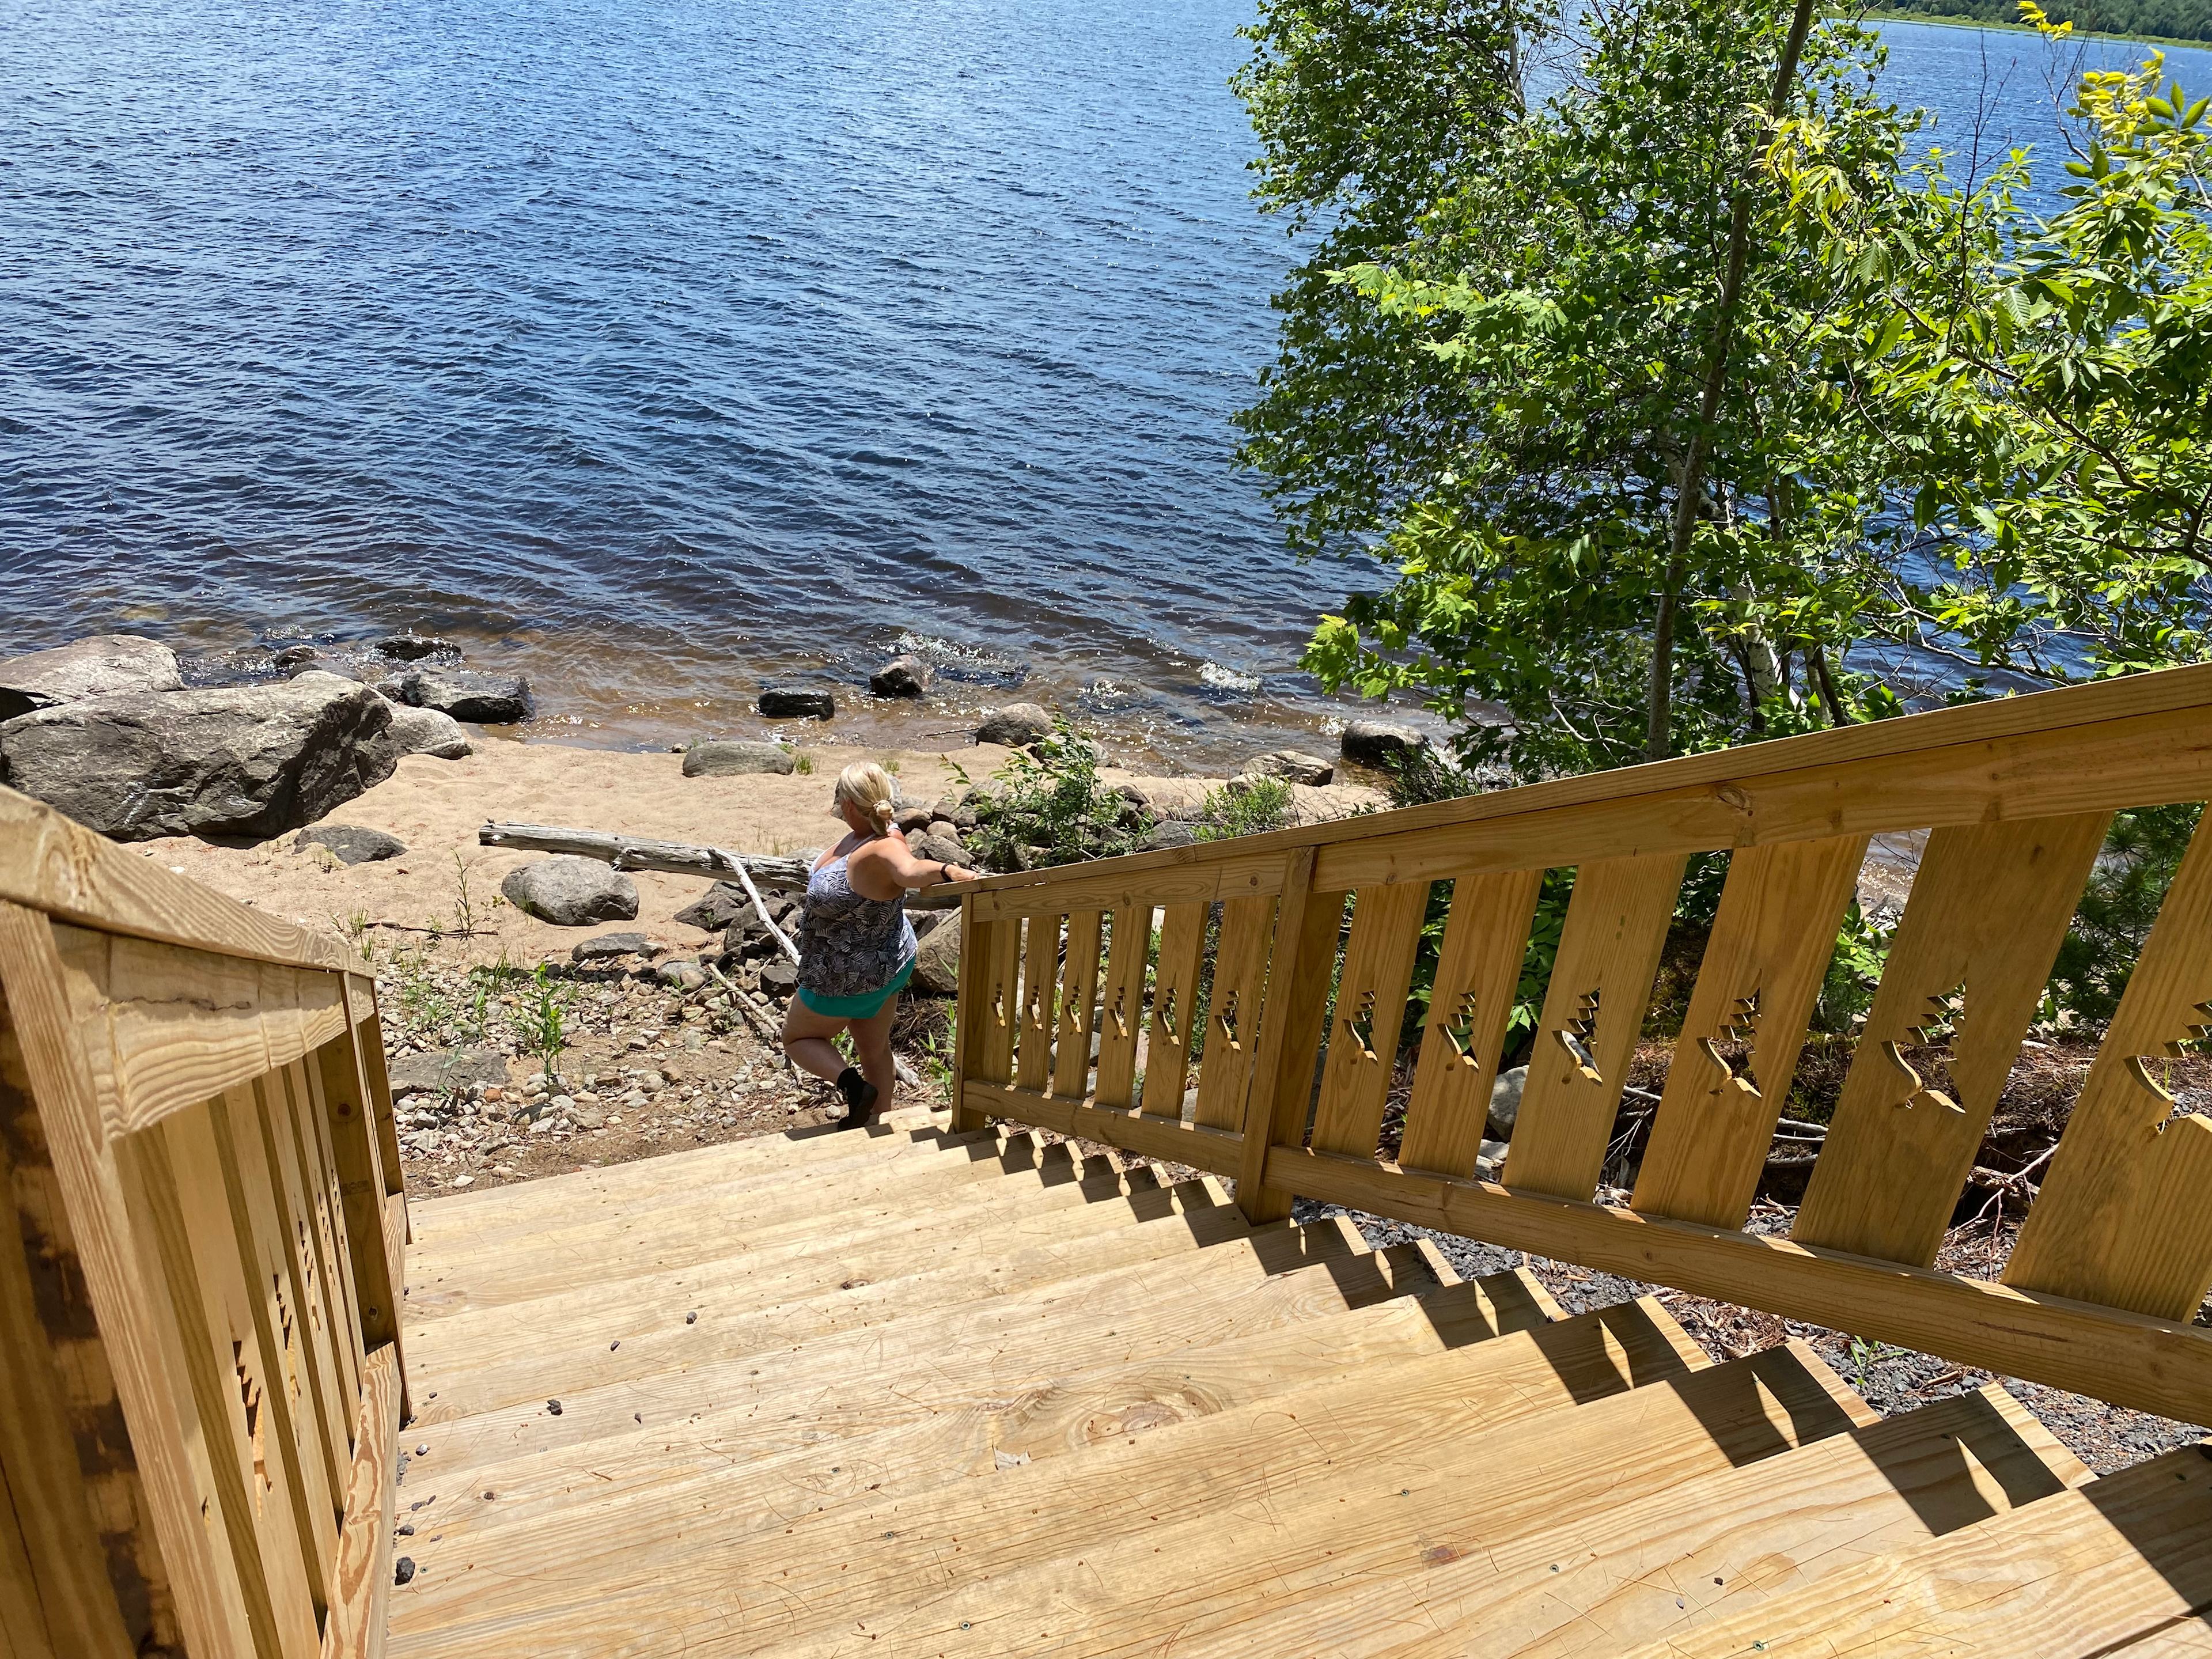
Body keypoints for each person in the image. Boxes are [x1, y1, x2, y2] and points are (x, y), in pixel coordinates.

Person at [783, 760, 972, 1127]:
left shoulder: (882, 847)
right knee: (874, 1047)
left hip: (844, 975)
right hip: (888, 961)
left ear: (849, 804)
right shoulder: (877, 832)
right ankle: (878, 1123)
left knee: (797, 1037)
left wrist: (947, 870)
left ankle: (853, 1086)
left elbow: (910, 871)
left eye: (838, 796)